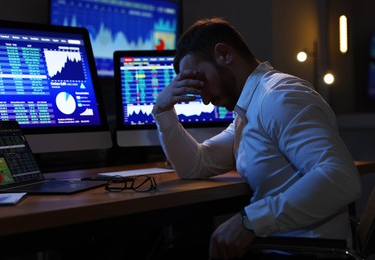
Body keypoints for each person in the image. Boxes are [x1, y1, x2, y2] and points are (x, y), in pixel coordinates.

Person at [151, 17, 362, 259]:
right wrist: (163, 111)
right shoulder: (249, 111)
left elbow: (340, 178)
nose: (205, 98)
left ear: (224, 54)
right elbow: (195, 164)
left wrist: (250, 221)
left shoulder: (279, 97)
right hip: (277, 245)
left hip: (305, 252)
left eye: (200, 81)